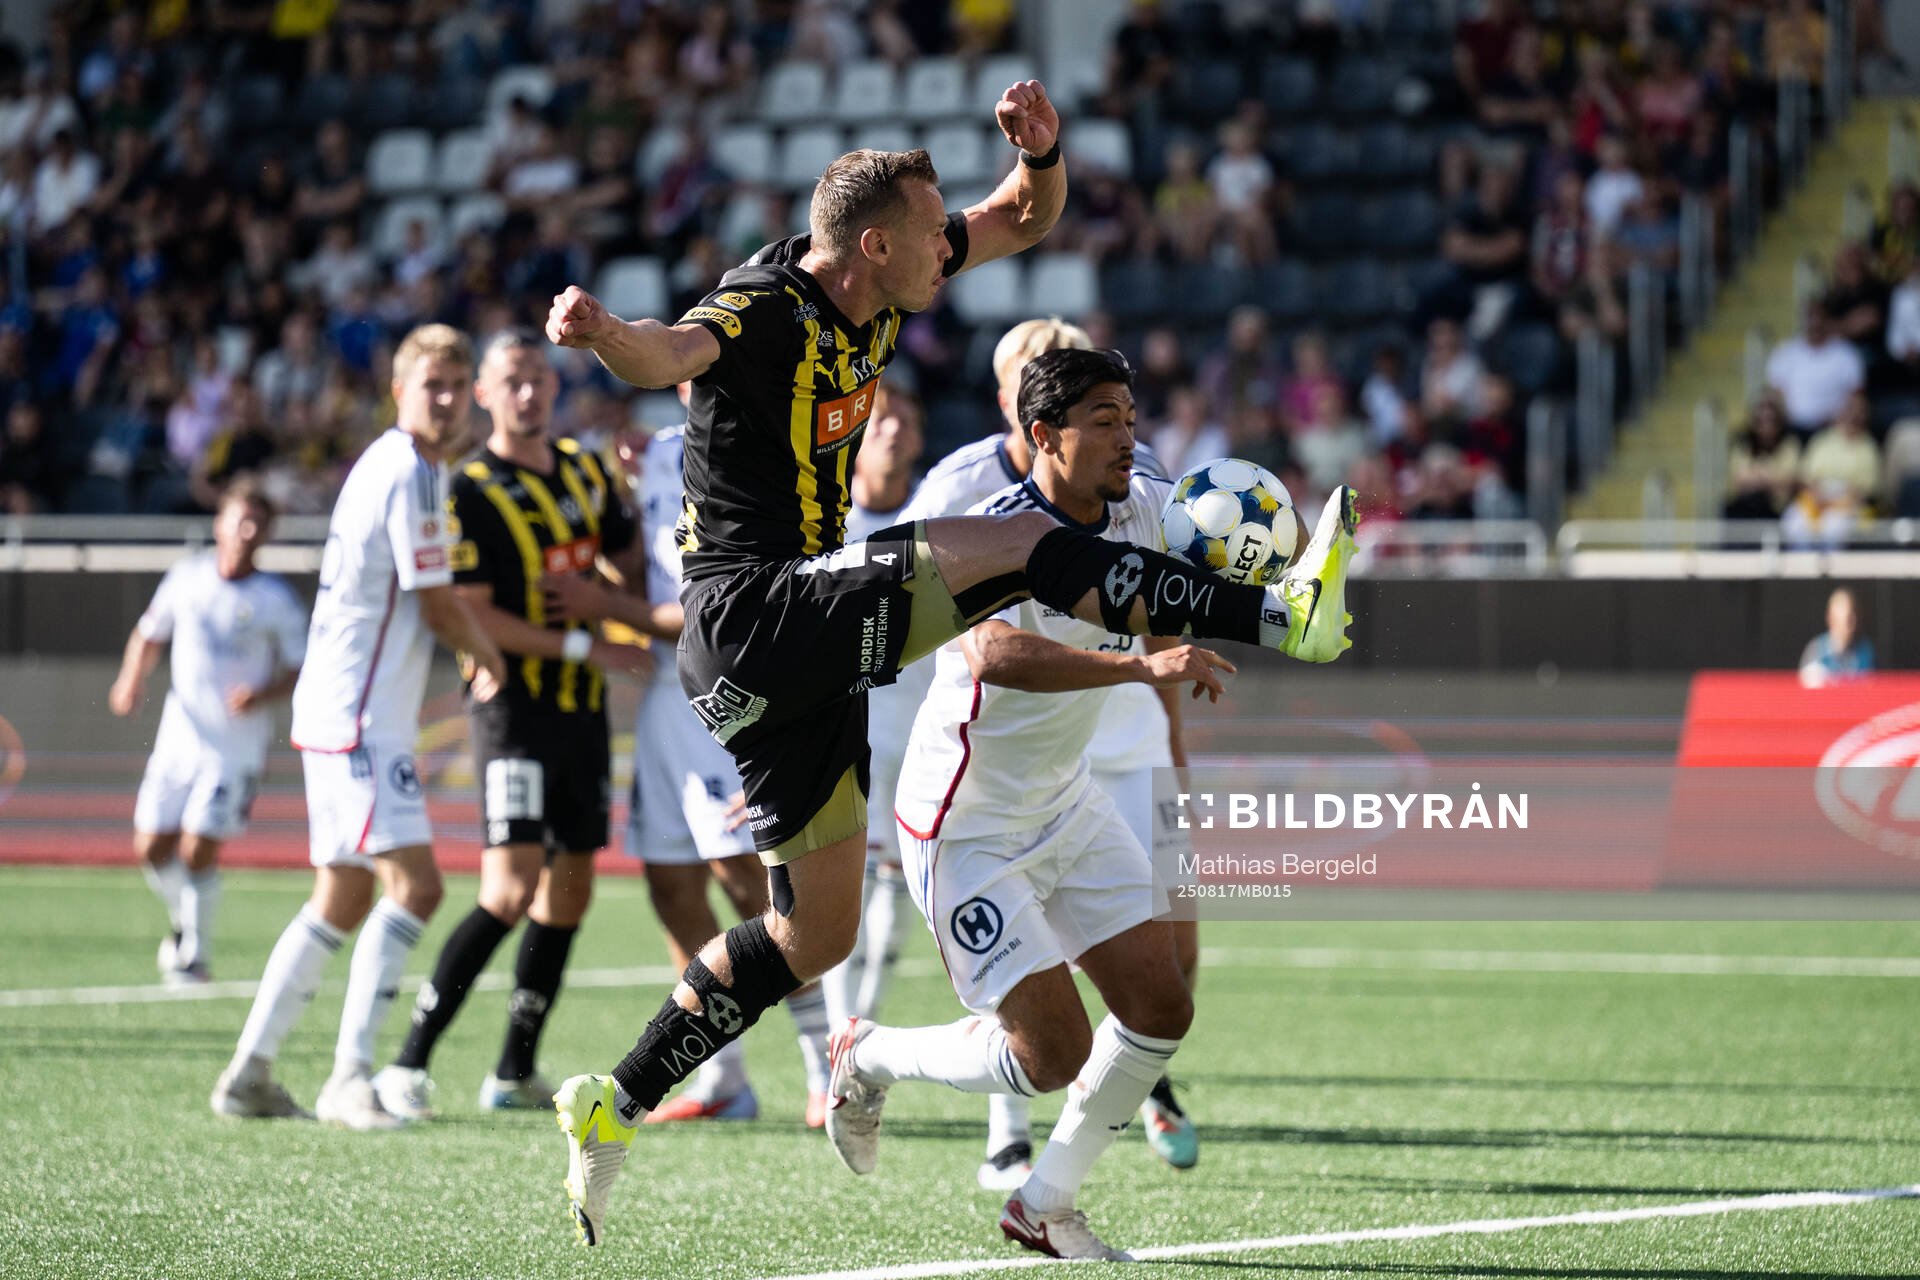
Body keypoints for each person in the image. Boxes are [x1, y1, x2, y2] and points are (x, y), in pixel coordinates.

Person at [541, 83, 1358, 1249]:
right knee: (1023, 547)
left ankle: (612, 1100)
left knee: (810, 936)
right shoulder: (766, 304)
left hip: (785, 649)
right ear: (875, 244)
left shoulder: (884, 276)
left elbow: (1025, 216)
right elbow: (670, 348)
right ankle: (1282, 614)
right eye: (934, 234)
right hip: (756, 607)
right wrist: (599, 333)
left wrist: (1044, 153)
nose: (952, 248)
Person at [826, 348, 1220, 1260]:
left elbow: (1186, 581)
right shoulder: (990, 530)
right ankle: (869, 1054)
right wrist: (1138, 664)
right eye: (1105, 422)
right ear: (1045, 436)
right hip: (963, 824)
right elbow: (993, 655)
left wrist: (1284, 598)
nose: (1128, 438)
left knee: (1162, 1008)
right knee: (1053, 1056)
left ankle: (1045, 1203)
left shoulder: (1142, 507)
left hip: (1064, 803)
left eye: (1130, 416)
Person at [210, 325, 508, 1129]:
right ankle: (350, 1077)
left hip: (344, 707)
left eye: (457, 384)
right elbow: (437, 601)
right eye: (431, 385)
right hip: (360, 717)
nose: (445, 399)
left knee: (341, 893)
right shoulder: (409, 469)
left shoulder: (398, 467)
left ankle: (250, 1073)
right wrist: (487, 655)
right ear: (399, 390)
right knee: (417, 885)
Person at [368, 328, 650, 1120]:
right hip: (512, 713)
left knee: (569, 893)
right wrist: (583, 638)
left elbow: (627, 562)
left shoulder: (588, 472)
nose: (528, 393)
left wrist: (610, 599)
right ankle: (409, 1064)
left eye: (538, 379)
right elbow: (475, 614)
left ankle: (512, 1071)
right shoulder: (470, 489)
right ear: (486, 395)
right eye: (512, 381)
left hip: (579, 712)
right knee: (508, 887)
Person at [615, 388, 835, 1126]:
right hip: (662, 697)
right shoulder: (647, 455)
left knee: (751, 885)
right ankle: (723, 1080)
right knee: (672, 882)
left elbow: (727, 596)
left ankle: (823, 1071)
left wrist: (599, 610)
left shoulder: (766, 445)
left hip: (725, 680)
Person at [109, 479, 307, 986]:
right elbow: (148, 633)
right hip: (179, 738)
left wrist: (262, 693)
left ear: (267, 533)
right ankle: (183, 922)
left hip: (234, 748)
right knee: (151, 846)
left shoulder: (275, 599)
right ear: (218, 523)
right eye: (238, 519)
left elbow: (299, 666)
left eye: (256, 523)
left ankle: (194, 956)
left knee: (198, 848)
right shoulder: (187, 578)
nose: (245, 531)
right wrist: (131, 680)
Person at [1800, 587, 1875, 687]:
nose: (1852, 622)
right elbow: (1806, 688)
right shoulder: (1816, 651)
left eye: (1853, 615)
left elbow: (1871, 687)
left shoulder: (1866, 651)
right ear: (1831, 618)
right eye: (1846, 618)